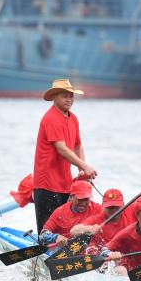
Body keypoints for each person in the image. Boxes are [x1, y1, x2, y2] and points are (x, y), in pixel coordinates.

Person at [33, 79, 96, 233]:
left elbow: (77, 145)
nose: (69, 99)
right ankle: (44, 251)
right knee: (47, 230)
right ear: (54, 98)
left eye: (71, 96)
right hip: (46, 182)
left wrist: (82, 169)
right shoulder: (51, 118)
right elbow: (61, 148)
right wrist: (84, 166)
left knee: (65, 226)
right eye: (64, 96)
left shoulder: (73, 118)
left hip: (65, 181)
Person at [103, 196, 141, 271]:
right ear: (137, 215)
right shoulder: (127, 233)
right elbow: (104, 250)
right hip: (132, 272)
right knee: (120, 270)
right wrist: (110, 254)